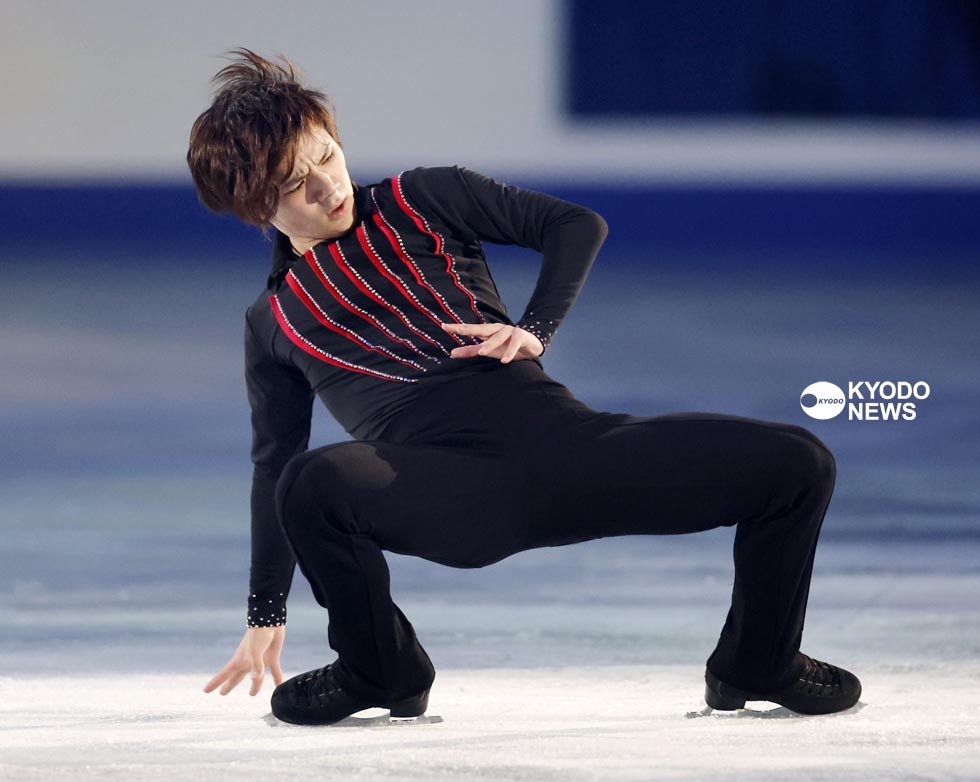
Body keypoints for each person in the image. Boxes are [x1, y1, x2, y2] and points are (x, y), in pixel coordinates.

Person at [187, 49, 861, 725]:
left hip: (578, 454)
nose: (327, 185)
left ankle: (758, 662)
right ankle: (382, 670)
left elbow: (574, 224)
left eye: (327, 156)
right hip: (456, 494)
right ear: (256, 207)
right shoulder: (273, 321)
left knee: (797, 464)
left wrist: (535, 329)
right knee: (310, 481)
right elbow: (273, 466)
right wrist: (265, 610)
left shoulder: (422, 199)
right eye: (294, 183)